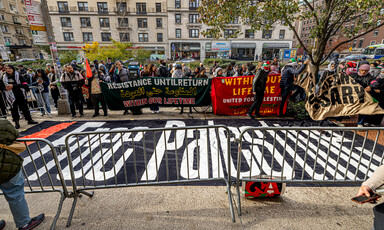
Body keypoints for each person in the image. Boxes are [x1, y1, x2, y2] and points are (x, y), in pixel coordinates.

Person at [0, 118, 45, 230]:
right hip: (5, 163)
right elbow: (13, 133)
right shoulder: (2, 123)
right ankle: (24, 223)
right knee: (14, 192)